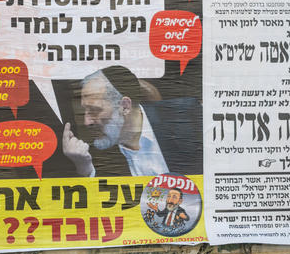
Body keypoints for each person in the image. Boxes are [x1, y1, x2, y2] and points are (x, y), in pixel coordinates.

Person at [62, 66, 202, 177]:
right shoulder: (91, 154)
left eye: (95, 110)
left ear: (125, 106)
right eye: (85, 110)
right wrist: (84, 168)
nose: (87, 122)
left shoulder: (188, 117)